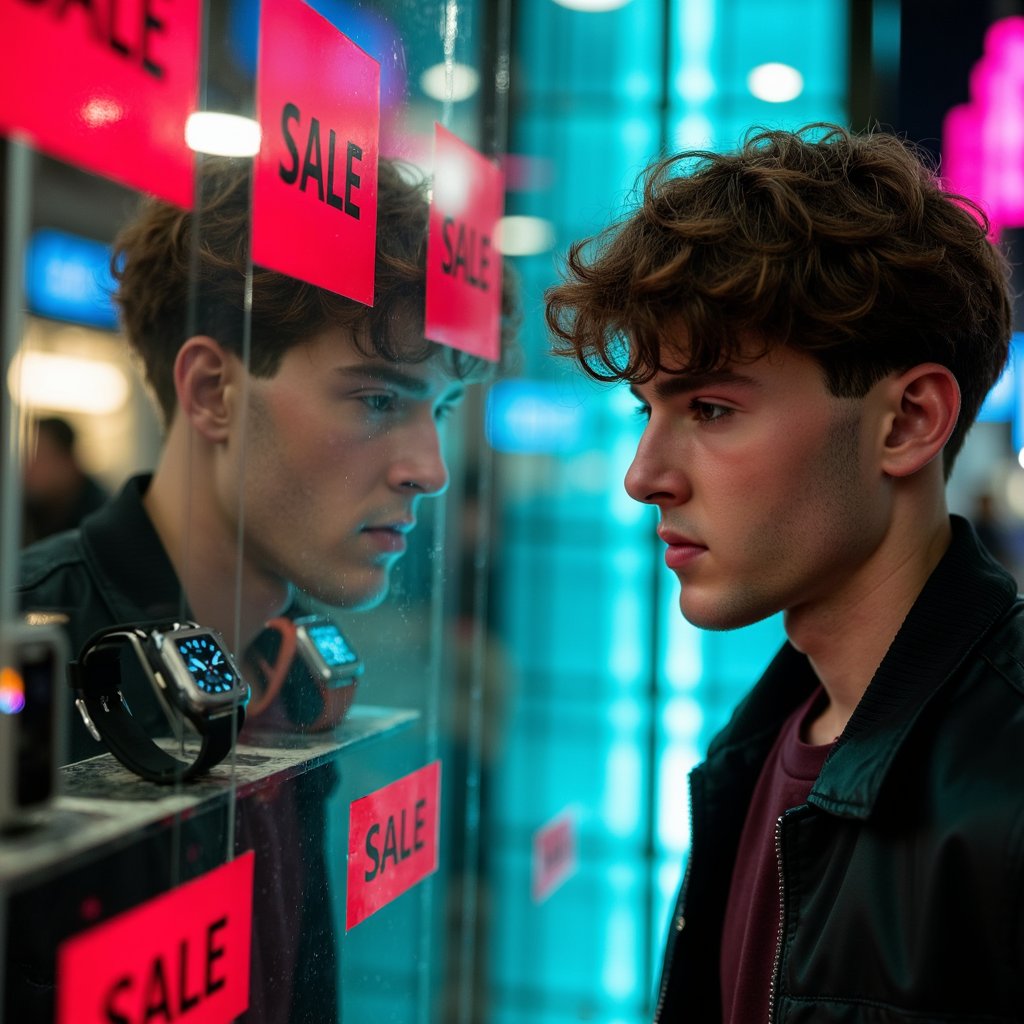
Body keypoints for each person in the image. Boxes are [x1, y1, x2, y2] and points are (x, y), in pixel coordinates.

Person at [12, 155, 516, 1024]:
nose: (428, 470)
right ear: (213, 391)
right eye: (376, 400)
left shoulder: (288, 666)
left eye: (435, 412)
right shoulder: (40, 656)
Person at [546, 124, 1020, 1021]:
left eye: (713, 407)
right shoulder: (759, 740)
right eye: (649, 410)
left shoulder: (1005, 785)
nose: (644, 476)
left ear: (908, 421)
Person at [21, 415, 108, 544]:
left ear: (67, 461)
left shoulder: (100, 515)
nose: (28, 468)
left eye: (39, 458)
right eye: (24, 458)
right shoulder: (28, 506)